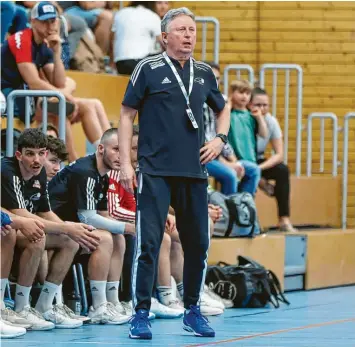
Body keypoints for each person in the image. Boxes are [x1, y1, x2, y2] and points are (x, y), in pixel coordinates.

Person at [118, 7, 230, 339]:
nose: (188, 35)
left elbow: (222, 110)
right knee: (149, 243)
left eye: (192, 30)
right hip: (154, 171)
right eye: (181, 29)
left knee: (198, 243)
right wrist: (126, 163)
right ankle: (140, 313)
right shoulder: (147, 68)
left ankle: (192, 309)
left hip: (194, 172)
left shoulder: (205, 72)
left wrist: (220, 140)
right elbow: (126, 116)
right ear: (164, 36)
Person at [1, 128, 100, 330]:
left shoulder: (41, 174)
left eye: (41, 153)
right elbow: (19, 214)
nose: (37, 160)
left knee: (70, 241)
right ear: (19, 155)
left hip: (18, 224)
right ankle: (13, 307)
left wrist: (71, 231)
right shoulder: (7, 170)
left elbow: (44, 212)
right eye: (30, 153)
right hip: (12, 225)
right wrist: (65, 227)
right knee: (35, 236)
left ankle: (45, 305)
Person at [49, 128, 135, 324]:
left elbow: (104, 215)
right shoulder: (85, 171)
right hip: (57, 227)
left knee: (118, 238)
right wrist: (127, 227)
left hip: (75, 228)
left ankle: (113, 301)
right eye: (116, 150)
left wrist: (124, 227)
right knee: (104, 238)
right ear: (101, 149)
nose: (121, 156)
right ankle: (98, 307)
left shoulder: (104, 174)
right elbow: (87, 217)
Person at [251, 87, 297, 232]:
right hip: (241, 158)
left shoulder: (271, 121)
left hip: (257, 160)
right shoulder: (244, 118)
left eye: (265, 105)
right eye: (257, 105)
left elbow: (279, 154)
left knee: (282, 170)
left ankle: (284, 219)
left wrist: (259, 169)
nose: (262, 108)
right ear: (249, 104)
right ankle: (249, 221)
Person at [203, 63, 244, 195]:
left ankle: (241, 208)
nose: (215, 82)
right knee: (230, 175)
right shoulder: (197, 101)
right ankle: (229, 213)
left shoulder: (220, 100)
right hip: (202, 157)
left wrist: (233, 160)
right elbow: (205, 144)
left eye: (218, 79)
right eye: (211, 78)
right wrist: (228, 164)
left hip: (218, 153)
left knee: (252, 170)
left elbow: (221, 136)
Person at [227, 80, 268, 196]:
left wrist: (260, 118)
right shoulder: (229, 113)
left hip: (250, 159)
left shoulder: (251, 115)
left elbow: (264, 134)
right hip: (234, 159)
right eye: (240, 92)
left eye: (247, 93)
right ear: (231, 93)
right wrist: (228, 105)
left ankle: (245, 205)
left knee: (248, 191)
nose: (244, 96)